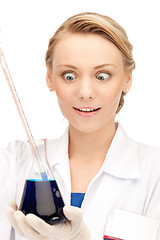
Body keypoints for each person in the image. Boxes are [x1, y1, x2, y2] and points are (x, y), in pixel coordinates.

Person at [1, 12, 160, 240]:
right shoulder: (15, 164)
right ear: (49, 78)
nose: (85, 93)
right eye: (69, 76)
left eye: (102, 76)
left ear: (127, 79)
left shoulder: (155, 173)